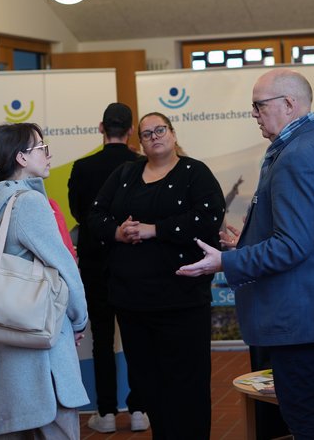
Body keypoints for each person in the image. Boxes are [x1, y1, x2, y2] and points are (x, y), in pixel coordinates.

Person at [177, 68, 314, 440]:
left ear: (289, 104)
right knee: (312, 411)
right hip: (313, 311)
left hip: (297, 317)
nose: (254, 114)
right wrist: (243, 243)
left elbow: (293, 245)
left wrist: (224, 262)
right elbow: (309, 234)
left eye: (259, 105)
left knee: (306, 420)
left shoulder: (296, 156)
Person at [87, 112, 225, 439]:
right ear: (140, 141)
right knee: (150, 385)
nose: (154, 137)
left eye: (160, 130)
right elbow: (94, 214)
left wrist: (155, 230)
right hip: (132, 303)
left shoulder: (195, 172)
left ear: (173, 134)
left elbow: (208, 217)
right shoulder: (125, 173)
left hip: (182, 300)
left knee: (186, 385)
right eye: (147, 133)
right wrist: (117, 231)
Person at [0, 123, 88, 439]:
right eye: (41, 147)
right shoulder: (28, 203)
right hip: (38, 349)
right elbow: (65, 268)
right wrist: (79, 319)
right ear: (21, 158)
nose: (48, 153)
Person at [67, 102, 148, 433]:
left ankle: (107, 413)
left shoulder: (83, 167)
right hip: (137, 260)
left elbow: (78, 214)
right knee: (137, 336)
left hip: (96, 261)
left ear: (101, 128)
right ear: (131, 130)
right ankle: (140, 409)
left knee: (101, 338)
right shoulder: (143, 165)